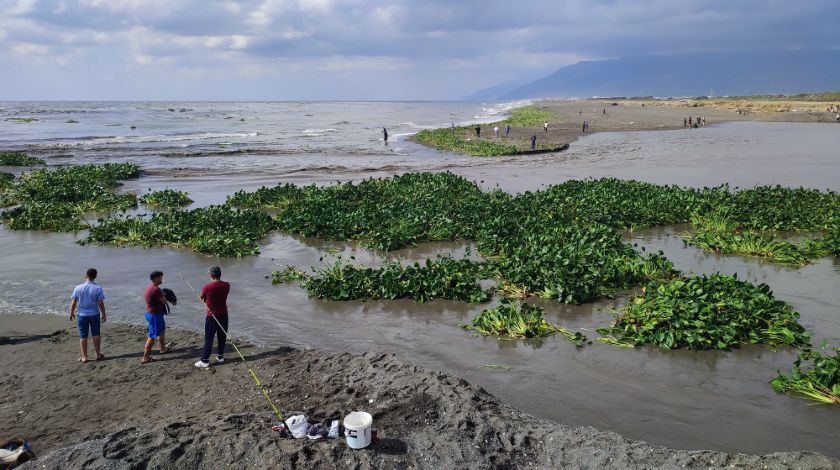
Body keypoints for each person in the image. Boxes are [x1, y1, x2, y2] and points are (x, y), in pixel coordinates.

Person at [195, 266, 231, 369]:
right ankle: (220, 356)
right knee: (222, 336)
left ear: (211, 275)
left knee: (209, 338)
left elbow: (202, 298)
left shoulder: (207, 287)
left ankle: (205, 360)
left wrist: (203, 298)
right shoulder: (227, 285)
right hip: (224, 314)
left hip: (212, 316)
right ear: (220, 274)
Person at [69, 268, 106, 363]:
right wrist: (104, 314)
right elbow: (100, 303)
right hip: (94, 314)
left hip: (82, 315)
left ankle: (84, 357)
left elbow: (73, 303)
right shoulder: (98, 288)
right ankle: (98, 354)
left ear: (86, 276)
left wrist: (71, 313)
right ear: (95, 277)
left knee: (83, 336)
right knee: (96, 334)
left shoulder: (78, 287)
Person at [142, 271, 170, 364]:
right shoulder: (156, 289)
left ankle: (163, 349)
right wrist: (165, 296)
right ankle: (145, 357)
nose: (162, 279)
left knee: (161, 330)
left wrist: (162, 293)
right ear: (156, 278)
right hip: (154, 315)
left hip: (150, 313)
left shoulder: (149, 287)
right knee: (152, 336)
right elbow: (164, 302)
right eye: (160, 277)